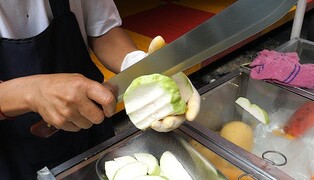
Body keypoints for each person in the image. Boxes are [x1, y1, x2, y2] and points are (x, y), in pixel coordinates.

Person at [0, 0, 200, 179]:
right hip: (13, 155)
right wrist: (30, 93)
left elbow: (103, 30)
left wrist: (135, 64)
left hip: (91, 130)